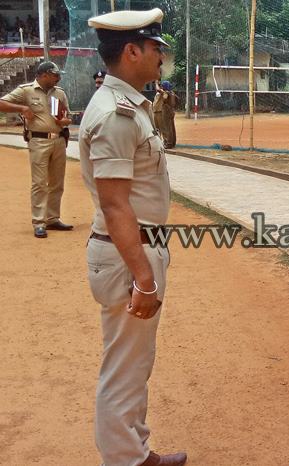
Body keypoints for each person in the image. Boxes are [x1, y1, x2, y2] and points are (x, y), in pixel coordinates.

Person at [80, 8, 187, 466]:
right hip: (130, 253)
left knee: (134, 362)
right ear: (131, 51)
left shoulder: (130, 106)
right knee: (125, 367)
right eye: (155, 48)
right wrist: (144, 278)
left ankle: (134, 451)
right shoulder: (116, 114)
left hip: (135, 247)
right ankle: (125, 459)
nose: (161, 57)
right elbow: (115, 204)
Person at [2, 61, 72, 238]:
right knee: (39, 183)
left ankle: (52, 218)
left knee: (57, 182)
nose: (58, 78)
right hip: (39, 141)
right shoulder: (26, 90)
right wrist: (22, 108)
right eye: (55, 75)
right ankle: (39, 222)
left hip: (58, 140)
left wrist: (65, 121)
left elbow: (67, 116)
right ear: (44, 75)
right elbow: (1, 103)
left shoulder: (59, 93)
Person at [153, 80, 177, 148]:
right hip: (157, 111)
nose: (161, 87)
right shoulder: (169, 92)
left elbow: (158, 89)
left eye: (162, 86)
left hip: (162, 111)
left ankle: (168, 143)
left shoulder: (165, 92)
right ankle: (167, 142)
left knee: (165, 128)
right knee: (159, 128)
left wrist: (156, 83)